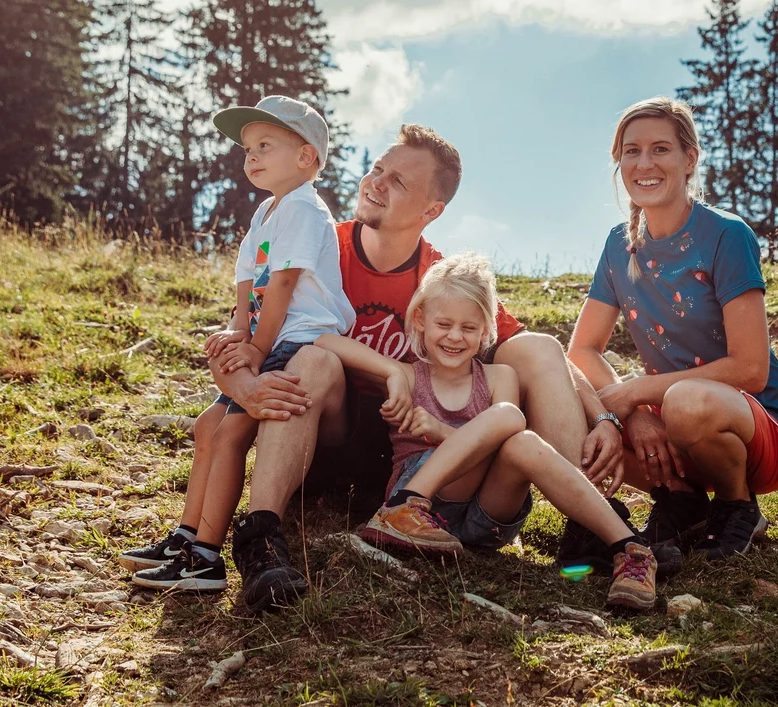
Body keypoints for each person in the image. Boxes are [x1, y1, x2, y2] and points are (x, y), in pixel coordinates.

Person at [133, 124, 632, 614]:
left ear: (431, 210)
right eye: (377, 168)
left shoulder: (437, 279)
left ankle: (591, 524)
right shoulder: (320, 242)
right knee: (315, 356)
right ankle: (262, 538)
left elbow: (543, 353)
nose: (375, 182)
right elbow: (244, 334)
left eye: (398, 181)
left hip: (415, 453)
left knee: (537, 345)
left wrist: (603, 416)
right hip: (322, 436)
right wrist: (244, 385)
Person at [316, 252, 659, 610]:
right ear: (419, 320)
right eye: (443, 324)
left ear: (486, 330)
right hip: (431, 497)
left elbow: (500, 448)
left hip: (486, 517)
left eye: (468, 328)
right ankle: (403, 507)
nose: (454, 337)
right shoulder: (407, 375)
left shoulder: (499, 377)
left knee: (519, 435)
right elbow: (325, 342)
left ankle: (630, 549)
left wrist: (439, 430)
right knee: (508, 418)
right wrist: (388, 373)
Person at [117, 95, 353, 593]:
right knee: (208, 426)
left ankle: (206, 557)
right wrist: (237, 334)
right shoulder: (264, 214)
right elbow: (248, 284)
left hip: (298, 340)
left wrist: (256, 349)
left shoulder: (307, 211)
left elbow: (284, 287)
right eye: (247, 149)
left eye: (265, 145)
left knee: (229, 436)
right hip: (268, 337)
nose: (251, 157)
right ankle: (186, 536)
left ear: (307, 156)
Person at [565, 97, 778, 559]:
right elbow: (582, 352)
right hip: (674, 422)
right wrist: (634, 414)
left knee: (684, 401)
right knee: (571, 404)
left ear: (689, 159)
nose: (644, 163)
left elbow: (752, 369)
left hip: (757, 432)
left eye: (660, 149)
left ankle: (738, 506)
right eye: (631, 151)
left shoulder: (726, 235)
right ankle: (682, 501)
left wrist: (643, 391)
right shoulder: (619, 246)